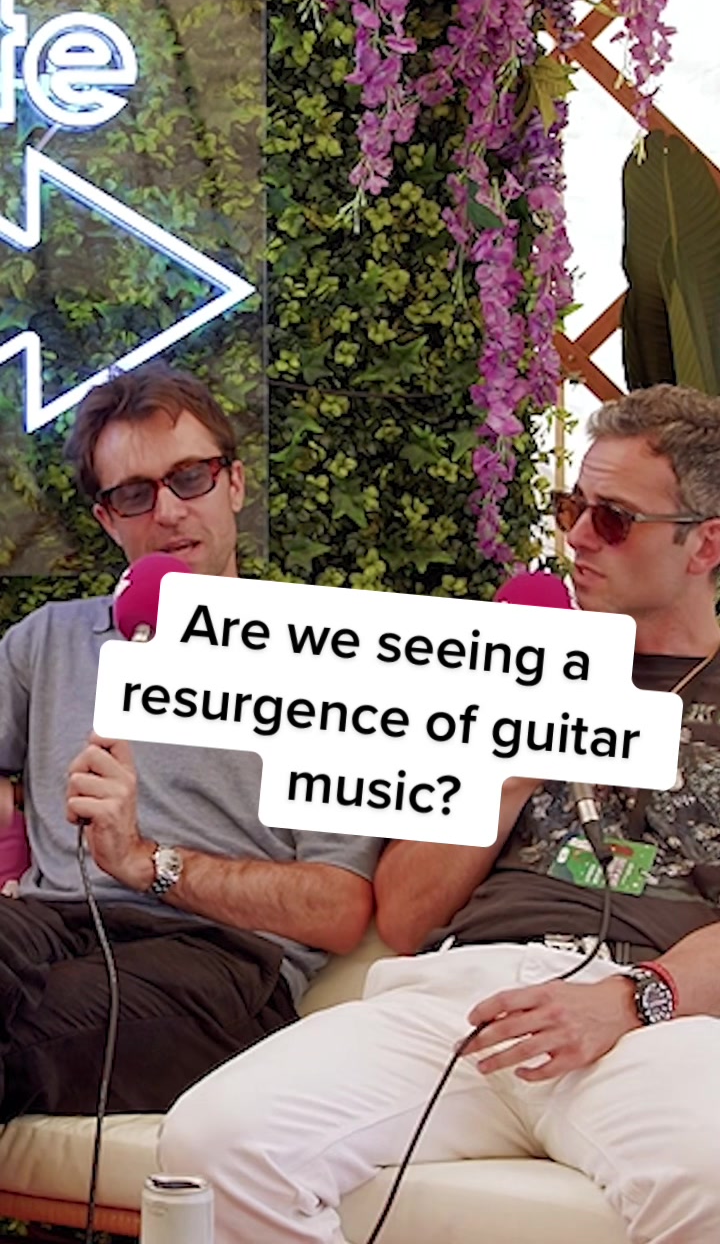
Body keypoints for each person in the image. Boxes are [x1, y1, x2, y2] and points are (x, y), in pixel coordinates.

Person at [159, 383, 720, 1244]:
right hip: (465, 996)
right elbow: (406, 915)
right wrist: (513, 763)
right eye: (570, 507)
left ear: (705, 543)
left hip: (658, 1015)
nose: (575, 537)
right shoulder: (500, 672)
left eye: (612, 519)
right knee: (213, 1142)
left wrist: (631, 1000)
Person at [0, 361, 383, 1121]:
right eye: (135, 494)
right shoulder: (48, 641)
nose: (170, 512)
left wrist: (143, 860)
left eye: (190, 479)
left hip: (216, 958)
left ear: (234, 484)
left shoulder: (326, 664)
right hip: (45, 926)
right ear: (107, 519)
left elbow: (339, 907)